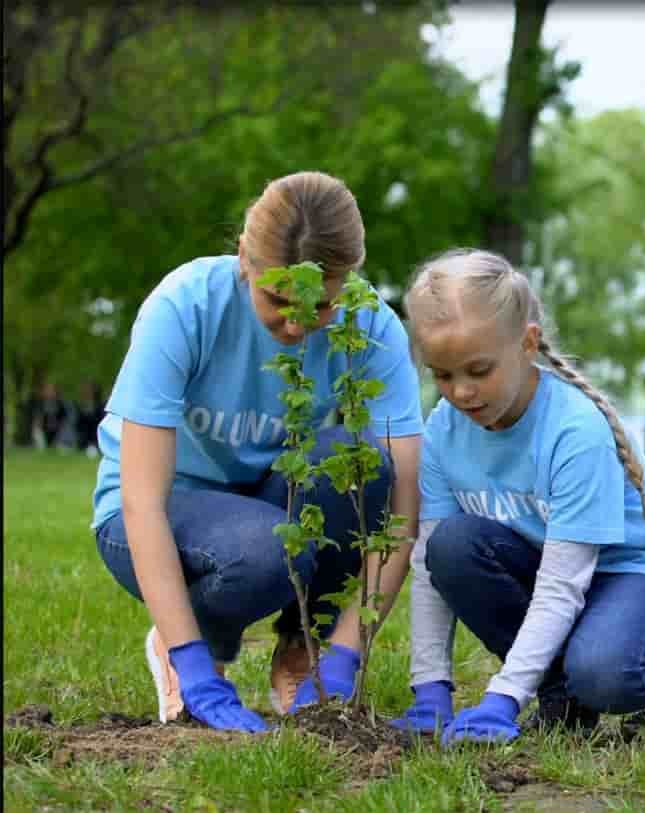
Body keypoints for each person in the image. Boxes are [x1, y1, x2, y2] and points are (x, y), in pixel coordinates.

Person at [90, 171, 425, 731]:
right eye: (277, 298)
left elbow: (402, 514)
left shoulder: (370, 329)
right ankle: (191, 640)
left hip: (268, 499)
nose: (296, 325)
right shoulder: (184, 307)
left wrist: (345, 652)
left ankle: (303, 650)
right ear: (244, 257)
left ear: (347, 280)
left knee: (360, 466)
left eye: (319, 305)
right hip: (159, 513)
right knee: (264, 552)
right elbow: (141, 502)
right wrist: (191, 662)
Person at [389, 248, 645, 744]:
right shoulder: (442, 432)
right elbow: (429, 567)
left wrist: (503, 698)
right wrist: (430, 690)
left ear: (527, 344)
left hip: (638, 574)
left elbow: (562, 584)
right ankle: (563, 699)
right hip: (551, 567)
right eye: (442, 374)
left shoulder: (574, 430)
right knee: (451, 548)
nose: (460, 392)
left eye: (479, 371)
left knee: (606, 673)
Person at [75, 382, 106, 456]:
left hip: (96, 439)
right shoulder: (79, 407)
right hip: (83, 439)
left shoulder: (100, 407)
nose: (87, 393)